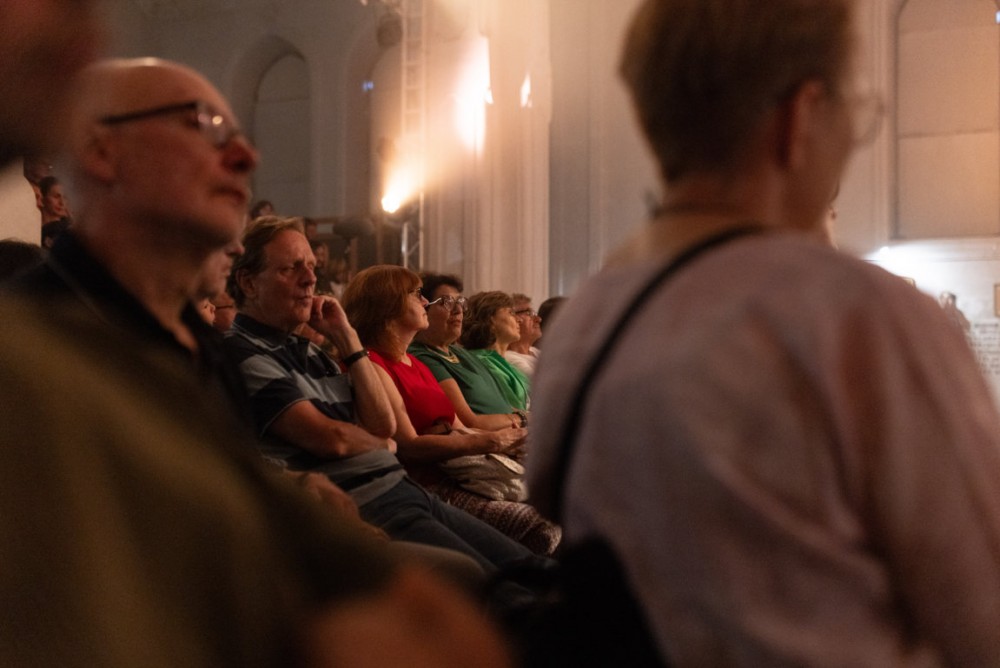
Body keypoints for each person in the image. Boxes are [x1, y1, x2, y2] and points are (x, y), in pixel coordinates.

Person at [528, 0, 1000, 665]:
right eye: (855, 112)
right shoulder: (861, 317)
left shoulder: (581, 325)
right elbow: (984, 611)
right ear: (799, 117)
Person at [3, 56, 510, 667]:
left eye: (238, 136)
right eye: (203, 127)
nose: (245, 156)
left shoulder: (193, 343)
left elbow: (232, 485)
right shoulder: (38, 344)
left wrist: (355, 560)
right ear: (103, 154)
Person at [224, 216, 546, 572]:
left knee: (532, 567)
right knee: (491, 578)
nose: (310, 278)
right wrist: (385, 445)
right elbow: (336, 440)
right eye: (291, 268)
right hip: (368, 501)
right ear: (249, 283)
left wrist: (347, 337)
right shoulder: (241, 352)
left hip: (400, 486)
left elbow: (381, 425)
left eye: (312, 267)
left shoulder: (314, 353)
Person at [343, 265, 560, 555]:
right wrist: (492, 440)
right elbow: (409, 446)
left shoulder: (415, 362)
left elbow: (458, 426)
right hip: (431, 483)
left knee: (567, 498)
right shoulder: (372, 363)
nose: (424, 302)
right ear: (388, 305)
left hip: (462, 473)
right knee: (542, 524)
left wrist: (511, 441)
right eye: (416, 295)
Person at [411, 272, 527, 431]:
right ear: (423, 308)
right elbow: (470, 423)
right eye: (446, 302)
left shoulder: (461, 353)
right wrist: (523, 419)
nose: (458, 310)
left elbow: (505, 406)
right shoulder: (423, 356)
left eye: (460, 302)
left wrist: (525, 417)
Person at [461, 291, 531, 411]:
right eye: (511, 313)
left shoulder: (502, 363)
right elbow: (509, 410)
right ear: (490, 320)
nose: (519, 320)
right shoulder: (482, 363)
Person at [504, 293, 542, 377]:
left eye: (534, 313)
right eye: (529, 313)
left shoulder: (535, 351)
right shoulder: (510, 358)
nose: (538, 319)